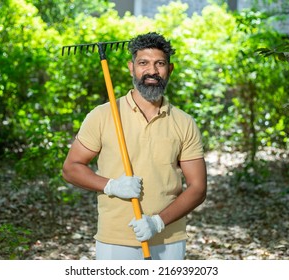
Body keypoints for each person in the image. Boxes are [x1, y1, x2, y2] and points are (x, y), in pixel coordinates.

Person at [62, 32, 207, 260]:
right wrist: (111, 185)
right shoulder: (103, 115)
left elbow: (198, 188)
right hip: (115, 240)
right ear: (131, 68)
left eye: (159, 63)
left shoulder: (184, 122)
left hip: (169, 239)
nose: (152, 71)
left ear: (170, 69)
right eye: (143, 63)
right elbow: (71, 168)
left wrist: (157, 222)